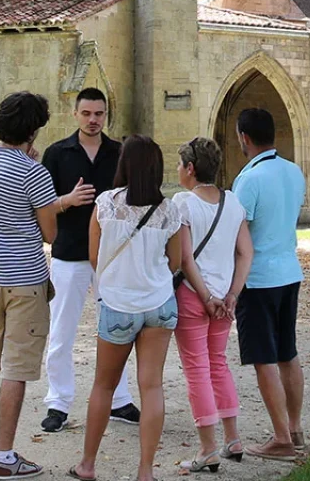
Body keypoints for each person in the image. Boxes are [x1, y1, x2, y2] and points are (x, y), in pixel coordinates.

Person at [0, 91, 95, 478]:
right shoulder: (34, 173)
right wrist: (50, 202)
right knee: (15, 369)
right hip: (25, 280)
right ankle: (4, 456)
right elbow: (48, 232)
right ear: (33, 130)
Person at [68, 135, 205, 481]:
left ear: (124, 165)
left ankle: (87, 464)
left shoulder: (106, 205)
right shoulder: (169, 210)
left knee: (104, 386)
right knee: (152, 386)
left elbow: (95, 256)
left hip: (118, 304)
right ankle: (145, 471)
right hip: (158, 304)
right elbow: (175, 262)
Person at [38, 88, 138, 432]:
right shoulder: (56, 154)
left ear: (106, 115)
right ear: (75, 113)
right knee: (62, 331)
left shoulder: (120, 152)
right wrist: (67, 200)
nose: (93, 120)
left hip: (111, 258)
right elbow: (41, 206)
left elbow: (134, 201)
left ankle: (120, 400)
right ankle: (58, 403)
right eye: (87, 114)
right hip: (69, 254)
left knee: (117, 331)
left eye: (99, 114)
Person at [169, 137, 252, 474]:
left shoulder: (183, 203)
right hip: (224, 296)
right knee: (218, 363)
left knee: (197, 369)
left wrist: (206, 296)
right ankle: (233, 439)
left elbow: (185, 258)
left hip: (194, 294)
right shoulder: (233, 203)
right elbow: (246, 252)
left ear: (190, 168)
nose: (177, 170)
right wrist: (232, 294)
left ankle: (207, 448)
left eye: (179, 164)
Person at [230, 107, 307, 462]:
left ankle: (280, 439)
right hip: (289, 272)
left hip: (258, 279)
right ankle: (294, 427)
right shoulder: (294, 172)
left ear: (244, 138)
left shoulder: (249, 179)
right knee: (287, 354)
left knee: (264, 359)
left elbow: (238, 233)